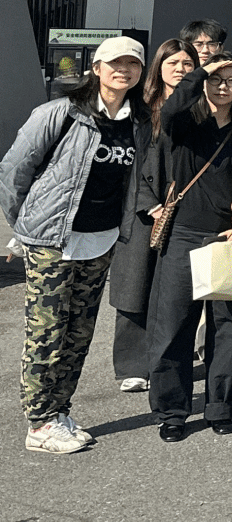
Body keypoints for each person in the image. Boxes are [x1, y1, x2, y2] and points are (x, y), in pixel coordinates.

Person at [5, 36, 150, 454]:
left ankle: (59, 412)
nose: (123, 70)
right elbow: (14, 170)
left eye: (132, 64)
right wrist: (25, 224)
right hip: (52, 239)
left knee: (78, 333)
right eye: (115, 63)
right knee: (46, 332)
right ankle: (39, 422)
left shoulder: (139, 121)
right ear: (97, 68)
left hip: (101, 239)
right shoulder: (61, 112)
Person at [138, 54, 232, 440]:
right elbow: (170, 107)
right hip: (183, 235)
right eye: (216, 79)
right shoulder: (185, 124)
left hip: (230, 236)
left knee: (230, 328)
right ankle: (172, 411)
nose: (223, 86)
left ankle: (221, 407)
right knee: (172, 326)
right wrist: (202, 71)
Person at [106, 38, 198, 391]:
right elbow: (130, 163)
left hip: (186, 210)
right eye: (173, 63)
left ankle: (167, 361)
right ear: (158, 67)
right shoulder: (141, 109)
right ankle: (133, 366)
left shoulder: (201, 108)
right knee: (136, 287)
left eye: (187, 64)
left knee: (173, 291)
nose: (180, 69)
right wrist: (150, 203)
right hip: (143, 209)